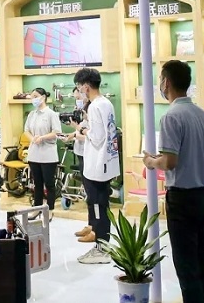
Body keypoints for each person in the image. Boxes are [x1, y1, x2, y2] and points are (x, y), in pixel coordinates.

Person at [143, 60, 204, 303]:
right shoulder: (203, 115)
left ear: (166, 83)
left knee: (187, 265)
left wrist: (151, 161)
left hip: (183, 199)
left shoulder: (171, 117)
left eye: (160, 80)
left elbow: (170, 162)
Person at [74, 67, 119, 264]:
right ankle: (103, 246)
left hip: (97, 165)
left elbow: (98, 137)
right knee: (102, 204)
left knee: (98, 205)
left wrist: (84, 132)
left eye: (79, 86)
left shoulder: (94, 106)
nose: (79, 90)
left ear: (86, 86)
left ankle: (101, 249)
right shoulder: (106, 103)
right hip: (107, 163)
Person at [23, 88, 61, 220]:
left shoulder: (51, 114)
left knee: (49, 184)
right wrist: (33, 139)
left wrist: (42, 138)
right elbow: (26, 130)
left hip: (48, 155)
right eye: (32, 96)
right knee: (37, 184)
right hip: (34, 154)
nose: (33, 99)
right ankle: (36, 208)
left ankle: (50, 209)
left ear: (43, 97)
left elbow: (57, 132)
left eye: (36, 96)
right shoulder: (32, 114)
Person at [67, 86, 91, 238]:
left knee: (92, 193)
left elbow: (92, 136)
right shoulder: (81, 113)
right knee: (88, 191)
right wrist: (71, 135)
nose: (77, 101)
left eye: (78, 98)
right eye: (75, 98)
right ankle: (90, 225)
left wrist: (76, 133)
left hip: (89, 155)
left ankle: (94, 228)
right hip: (81, 153)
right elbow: (80, 131)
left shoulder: (92, 111)